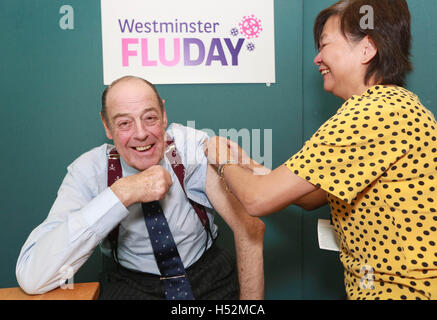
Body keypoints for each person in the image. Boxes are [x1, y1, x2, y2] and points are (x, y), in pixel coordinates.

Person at [205, 0, 437, 300]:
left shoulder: (371, 113)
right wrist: (250, 167)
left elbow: (257, 199)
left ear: (367, 49)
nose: (317, 59)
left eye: (325, 44)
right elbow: (315, 196)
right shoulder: (395, 106)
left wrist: (221, 158)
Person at [16, 76, 265, 300]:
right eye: (124, 123)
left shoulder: (190, 149)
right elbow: (32, 275)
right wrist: (122, 193)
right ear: (106, 126)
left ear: (164, 114)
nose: (141, 134)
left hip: (209, 278)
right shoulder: (88, 172)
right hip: (132, 285)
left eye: (150, 118)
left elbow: (250, 225)